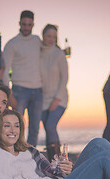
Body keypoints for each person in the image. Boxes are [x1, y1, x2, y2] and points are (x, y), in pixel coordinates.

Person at [2, 10, 42, 147]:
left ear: (33, 25)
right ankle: (16, 154)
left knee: (35, 129)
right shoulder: (11, 44)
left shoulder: (37, 40)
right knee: (16, 127)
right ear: (19, 23)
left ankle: (31, 159)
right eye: (24, 24)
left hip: (38, 90)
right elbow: (5, 70)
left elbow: (50, 51)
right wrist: (9, 94)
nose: (26, 27)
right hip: (19, 90)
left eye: (29, 24)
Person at [40, 24, 69, 160]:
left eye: (54, 37)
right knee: (48, 128)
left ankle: (57, 161)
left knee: (50, 126)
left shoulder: (59, 54)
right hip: (42, 100)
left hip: (59, 99)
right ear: (43, 36)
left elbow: (65, 78)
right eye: (49, 36)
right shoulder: (38, 52)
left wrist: (57, 99)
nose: (51, 39)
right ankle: (53, 163)